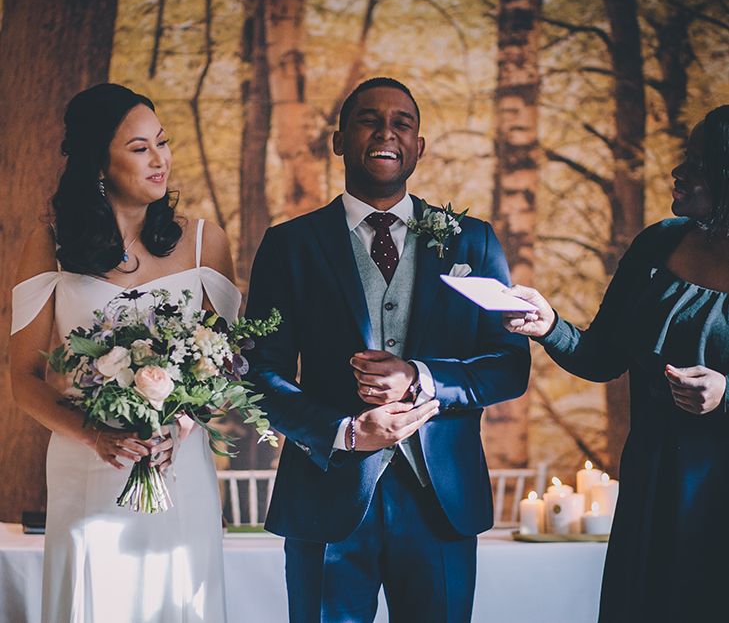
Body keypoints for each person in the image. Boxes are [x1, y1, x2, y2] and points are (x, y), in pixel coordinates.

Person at [245, 77, 530, 622]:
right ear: (339, 140)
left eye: (403, 123)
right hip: (326, 495)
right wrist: (345, 432)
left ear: (418, 146)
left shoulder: (472, 241)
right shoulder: (290, 245)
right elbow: (261, 373)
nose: (386, 132)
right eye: (368, 119)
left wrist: (420, 376)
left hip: (440, 503)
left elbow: (508, 366)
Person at [10, 83, 239, 622]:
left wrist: (179, 428)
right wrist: (93, 435)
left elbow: (226, 368)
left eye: (162, 142)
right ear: (99, 163)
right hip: (84, 465)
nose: (161, 160)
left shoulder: (207, 243)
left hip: (178, 466)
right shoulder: (50, 246)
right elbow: (22, 377)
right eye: (140, 149)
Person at [503, 105, 729, 623]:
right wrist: (548, 324)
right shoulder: (657, 244)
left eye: (697, 163)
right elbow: (602, 356)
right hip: (652, 485)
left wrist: (726, 392)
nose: (679, 171)